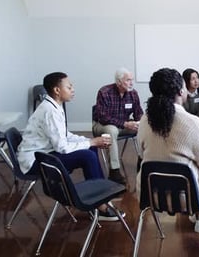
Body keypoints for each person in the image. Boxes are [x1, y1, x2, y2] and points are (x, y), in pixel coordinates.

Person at [17, 72, 123, 221]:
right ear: (57, 90)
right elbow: (62, 147)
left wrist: (89, 141)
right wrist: (91, 142)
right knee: (87, 155)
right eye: (69, 87)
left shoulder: (54, 106)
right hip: (35, 162)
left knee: (89, 149)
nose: (72, 90)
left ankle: (100, 196)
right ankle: (100, 206)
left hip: (45, 152)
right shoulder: (49, 111)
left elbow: (65, 135)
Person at [136, 68, 199, 233]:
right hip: (188, 198)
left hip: (151, 196)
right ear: (181, 91)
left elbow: (141, 154)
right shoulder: (193, 122)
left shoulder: (144, 120)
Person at [93, 68, 143, 184]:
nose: (131, 83)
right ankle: (114, 171)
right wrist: (125, 124)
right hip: (102, 125)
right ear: (119, 81)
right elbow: (103, 117)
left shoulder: (133, 93)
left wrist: (140, 122)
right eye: (128, 80)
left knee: (144, 128)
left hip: (124, 125)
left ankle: (142, 165)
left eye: (132, 80)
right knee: (111, 130)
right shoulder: (104, 92)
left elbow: (138, 112)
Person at [182, 68, 199, 134]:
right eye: (193, 79)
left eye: (197, 78)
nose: (196, 81)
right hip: (185, 119)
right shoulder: (182, 93)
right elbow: (183, 112)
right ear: (186, 81)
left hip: (197, 119)